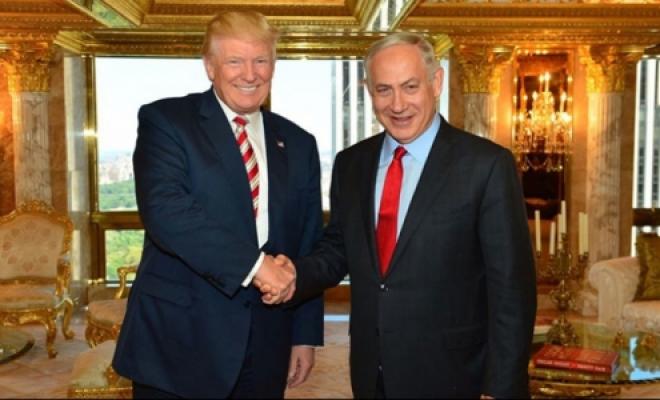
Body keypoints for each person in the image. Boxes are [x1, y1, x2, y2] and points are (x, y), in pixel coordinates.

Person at [269, 32, 537, 398]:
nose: (398, 104)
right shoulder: (351, 164)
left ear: (436, 82)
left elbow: (512, 291)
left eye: (410, 87)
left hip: (456, 377)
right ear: (369, 92)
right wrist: (294, 274)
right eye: (384, 90)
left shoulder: (486, 165)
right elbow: (339, 249)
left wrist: (501, 388)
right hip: (372, 373)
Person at [112, 10, 324, 398]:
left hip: (268, 342)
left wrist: (304, 335)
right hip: (180, 342)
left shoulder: (299, 142)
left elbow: (307, 241)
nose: (250, 74)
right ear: (210, 67)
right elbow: (167, 212)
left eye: (261, 60)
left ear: (274, 66)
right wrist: (257, 266)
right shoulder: (167, 120)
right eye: (235, 61)